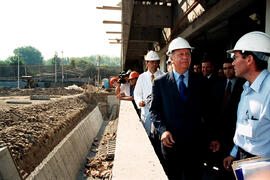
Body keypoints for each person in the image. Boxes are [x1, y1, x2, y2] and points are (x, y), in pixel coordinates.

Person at [149, 37, 211, 180]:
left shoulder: (201, 81)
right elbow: (154, 110)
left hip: (195, 146)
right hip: (171, 146)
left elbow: (208, 111)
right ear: (171, 58)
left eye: (187, 54)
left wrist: (212, 137)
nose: (185, 57)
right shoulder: (160, 83)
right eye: (180, 54)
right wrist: (163, 131)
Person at [223, 31, 270, 171]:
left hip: (262, 166)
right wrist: (234, 153)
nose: (233, 63)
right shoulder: (246, 89)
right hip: (243, 159)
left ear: (249, 60)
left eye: (235, 57)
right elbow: (244, 128)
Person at [202, 58, 244, 180]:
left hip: (235, 133)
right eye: (225, 68)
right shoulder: (218, 85)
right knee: (221, 166)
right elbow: (212, 109)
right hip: (219, 133)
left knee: (234, 168)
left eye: (230, 68)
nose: (227, 71)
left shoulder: (243, 85)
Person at [134, 50, 164, 136]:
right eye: (152, 62)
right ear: (147, 63)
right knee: (147, 136)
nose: (154, 64)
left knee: (159, 135)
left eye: (156, 62)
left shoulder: (163, 76)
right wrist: (140, 101)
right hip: (146, 111)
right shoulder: (142, 77)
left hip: (160, 111)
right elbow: (137, 93)